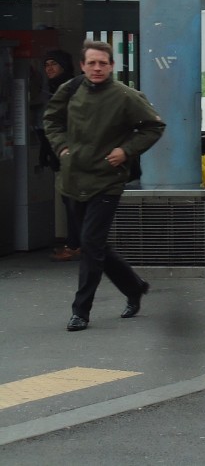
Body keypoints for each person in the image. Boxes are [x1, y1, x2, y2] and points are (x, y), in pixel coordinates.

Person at [43, 40, 166, 332]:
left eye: (103, 63)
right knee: (93, 244)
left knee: (90, 246)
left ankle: (80, 312)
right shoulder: (70, 89)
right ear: (83, 65)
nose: (97, 68)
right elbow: (51, 119)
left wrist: (126, 150)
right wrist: (61, 148)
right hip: (73, 179)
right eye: (92, 63)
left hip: (107, 181)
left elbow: (153, 126)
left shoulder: (126, 96)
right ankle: (134, 287)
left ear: (112, 66)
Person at [38, 50, 82, 260]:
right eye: (46, 64)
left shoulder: (71, 89)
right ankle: (76, 244)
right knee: (69, 201)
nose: (49, 68)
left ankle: (76, 245)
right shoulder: (53, 90)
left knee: (73, 201)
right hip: (61, 154)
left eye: (54, 64)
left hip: (72, 155)